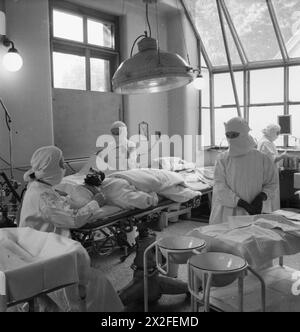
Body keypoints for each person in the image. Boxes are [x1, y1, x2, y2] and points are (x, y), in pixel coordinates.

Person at [19, 146, 123, 312]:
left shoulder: (37, 187)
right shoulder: (43, 195)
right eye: (61, 163)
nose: (64, 167)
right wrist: (95, 202)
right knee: (97, 283)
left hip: (36, 250)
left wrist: (70, 199)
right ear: (49, 167)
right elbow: (72, 219)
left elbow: (59, 206)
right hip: (47, 257)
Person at [209, 117, 278, 225]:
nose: (231, 139)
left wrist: (260, 197)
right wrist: (241, 203)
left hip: (254, 210)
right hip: (227, 213)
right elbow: (220, 186)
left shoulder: (261, 158)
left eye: (234, 135)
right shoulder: (223, 159)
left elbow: (271, 183)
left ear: (244, 134)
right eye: (228, 135)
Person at [257, 124, 289, 211]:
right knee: (269, 196)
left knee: (269, 195)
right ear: (272, 132)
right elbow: (271, 160)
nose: (278, 135)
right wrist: (283, 155)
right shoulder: (266, 143)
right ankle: (269, 215)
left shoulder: (265, 141)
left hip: (267, 174)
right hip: (268, 175)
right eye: (277, 133)